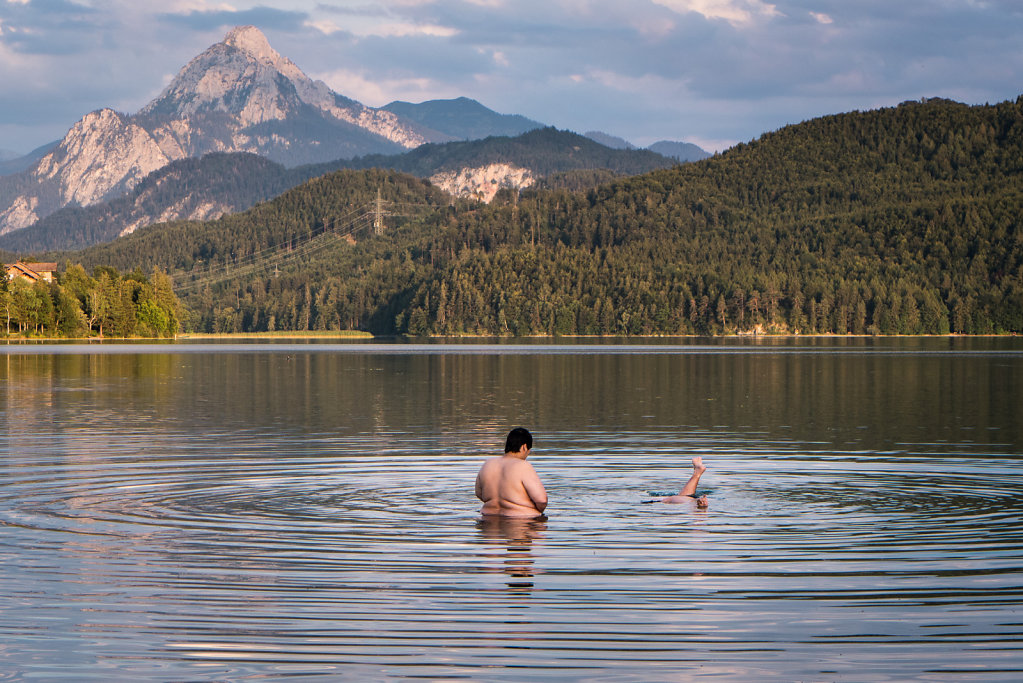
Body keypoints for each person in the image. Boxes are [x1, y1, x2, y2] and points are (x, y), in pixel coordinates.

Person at [475, 427, 548, 517]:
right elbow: (542, 500)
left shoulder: (487, 464)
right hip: (521, 522)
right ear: (524, 447)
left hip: (488, 519)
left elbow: (479, 493)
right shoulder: (522, 465)